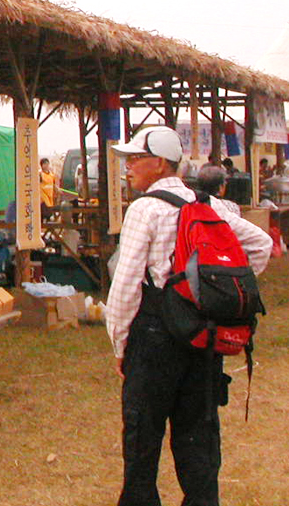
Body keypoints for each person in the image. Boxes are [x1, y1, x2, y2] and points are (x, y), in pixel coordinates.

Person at [107, 126, 271, 506]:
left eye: (135, 159)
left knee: (142, 437)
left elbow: (127, 283)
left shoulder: (144, 208)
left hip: (154, 335)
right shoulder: (210, 205)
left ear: (160, 163)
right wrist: (217, 295)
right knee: (199, 437)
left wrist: (119, 342)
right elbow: (260, 245)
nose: (127, 167)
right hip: (202, 335)